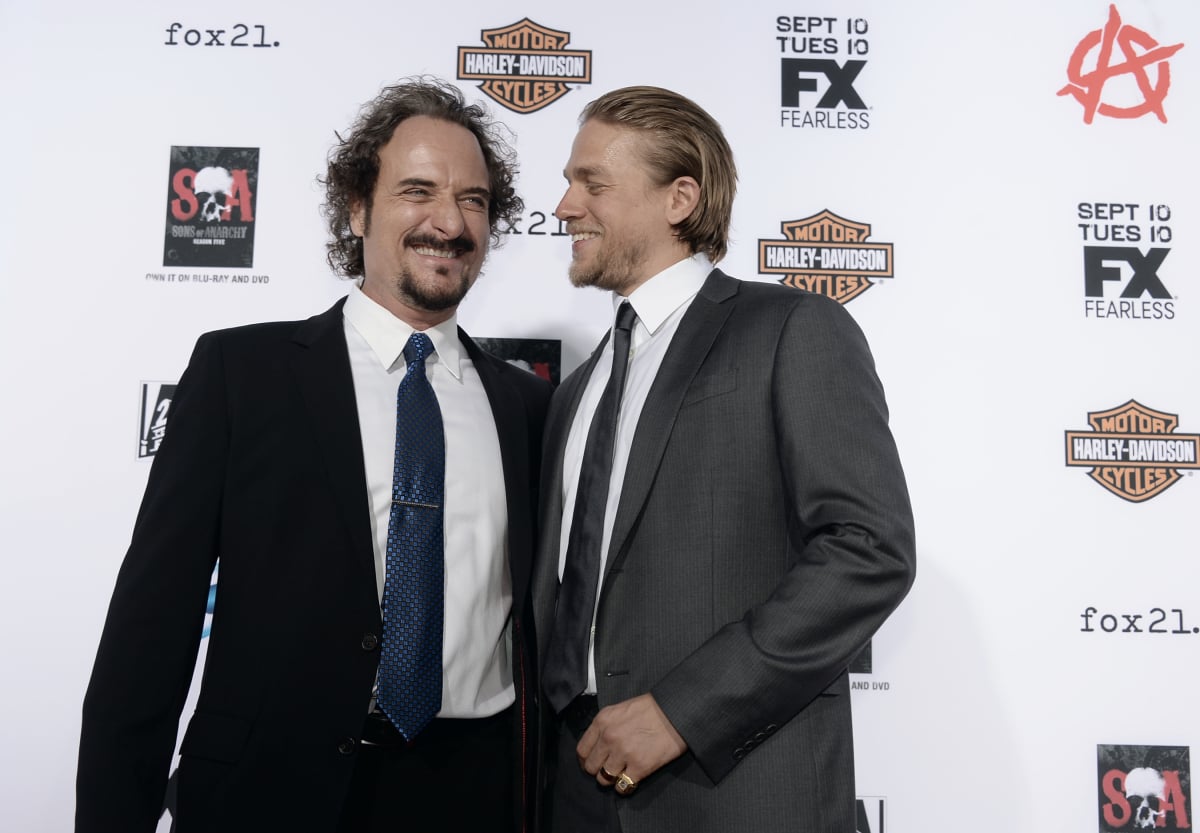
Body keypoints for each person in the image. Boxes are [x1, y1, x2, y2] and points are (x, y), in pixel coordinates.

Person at [77, 78, 551, 833]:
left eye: (475, 200)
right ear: (357, 207)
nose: (449, 221)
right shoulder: (244, 374)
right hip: (267, 791)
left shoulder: (527, 407)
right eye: (418, 190)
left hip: (473, 793)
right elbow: (151, 629)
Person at [533, 85, 916, 833]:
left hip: (736, 792)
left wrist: (682, 710)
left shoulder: (792, 331)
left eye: (592, 183)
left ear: (680, 198)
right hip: (574, 793)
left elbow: (869, 551)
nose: (563, 207)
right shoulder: (576, 390)